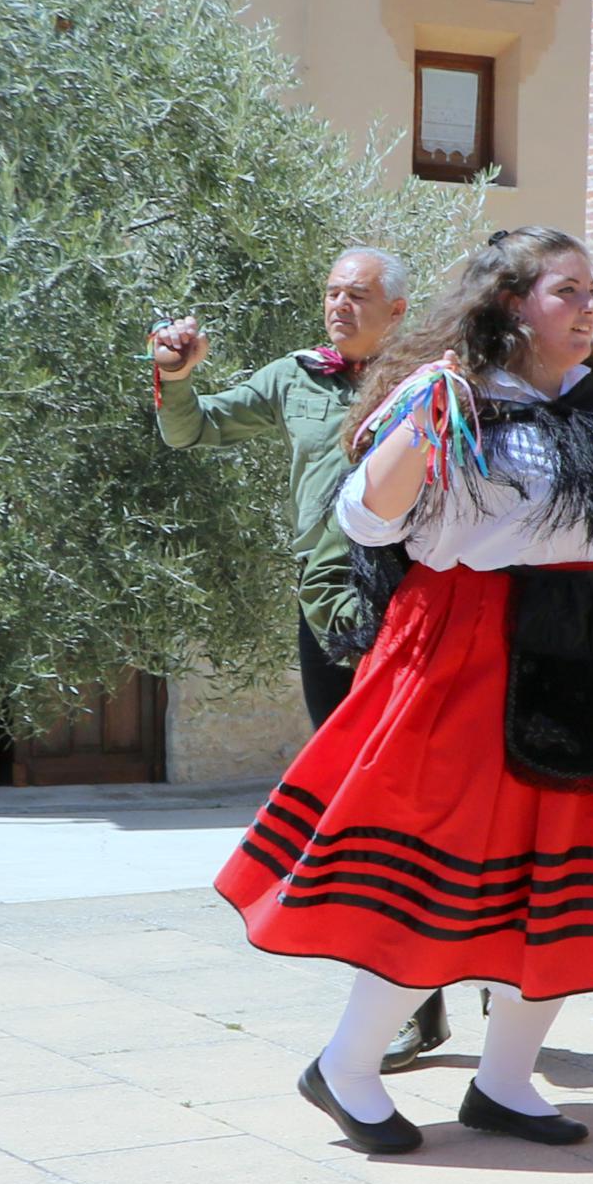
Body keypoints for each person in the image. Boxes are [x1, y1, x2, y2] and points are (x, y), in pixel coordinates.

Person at [218, 226, 593, 1155]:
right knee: (436, 872)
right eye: (570, 291)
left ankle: (505, 1081)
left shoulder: (591, 408)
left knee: (557, 875)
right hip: (470, 650)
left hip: (586, 651)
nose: (590, 307)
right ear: (514, 303)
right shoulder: (450, 393)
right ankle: (346, 1066)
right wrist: (423, 428)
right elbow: (366, 513)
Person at [152, 248, 449, 1069]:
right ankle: (413, 996)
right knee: (355, 802)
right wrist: (176, 376)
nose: (338, 307)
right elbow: (192, 429)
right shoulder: (295, 377)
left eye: (357, 295)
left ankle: (440, 969)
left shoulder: (430, 383)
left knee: (423, 796)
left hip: (415, 608)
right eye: (331, 293)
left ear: (396, 310)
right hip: (326, 611)